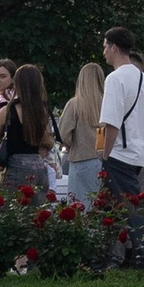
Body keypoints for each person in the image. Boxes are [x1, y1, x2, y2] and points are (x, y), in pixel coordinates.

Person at [98, 28, 144, 264]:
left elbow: (111, 123)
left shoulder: (115, 79)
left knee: (127, 211)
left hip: (119, 155)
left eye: (105, 46)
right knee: (120, 208)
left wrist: (105, 154)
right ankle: (120, 257)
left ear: (114, 47)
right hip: (138, 156)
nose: (104, 51)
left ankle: (143, 260)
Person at [0, 63, 56, 194]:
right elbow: (47, 135)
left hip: (16, 165)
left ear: (17, 84)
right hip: (39, 165)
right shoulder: (42, 110)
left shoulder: (8, 110)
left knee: (7, 209)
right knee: (37, 211)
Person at [57, 61, 105, 203]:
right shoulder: (107, 103)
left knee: (78, 205)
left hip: (80, 159)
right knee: (98, 204)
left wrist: (72, 143)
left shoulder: (74, 104)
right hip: (102, 160)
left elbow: (63, 133)